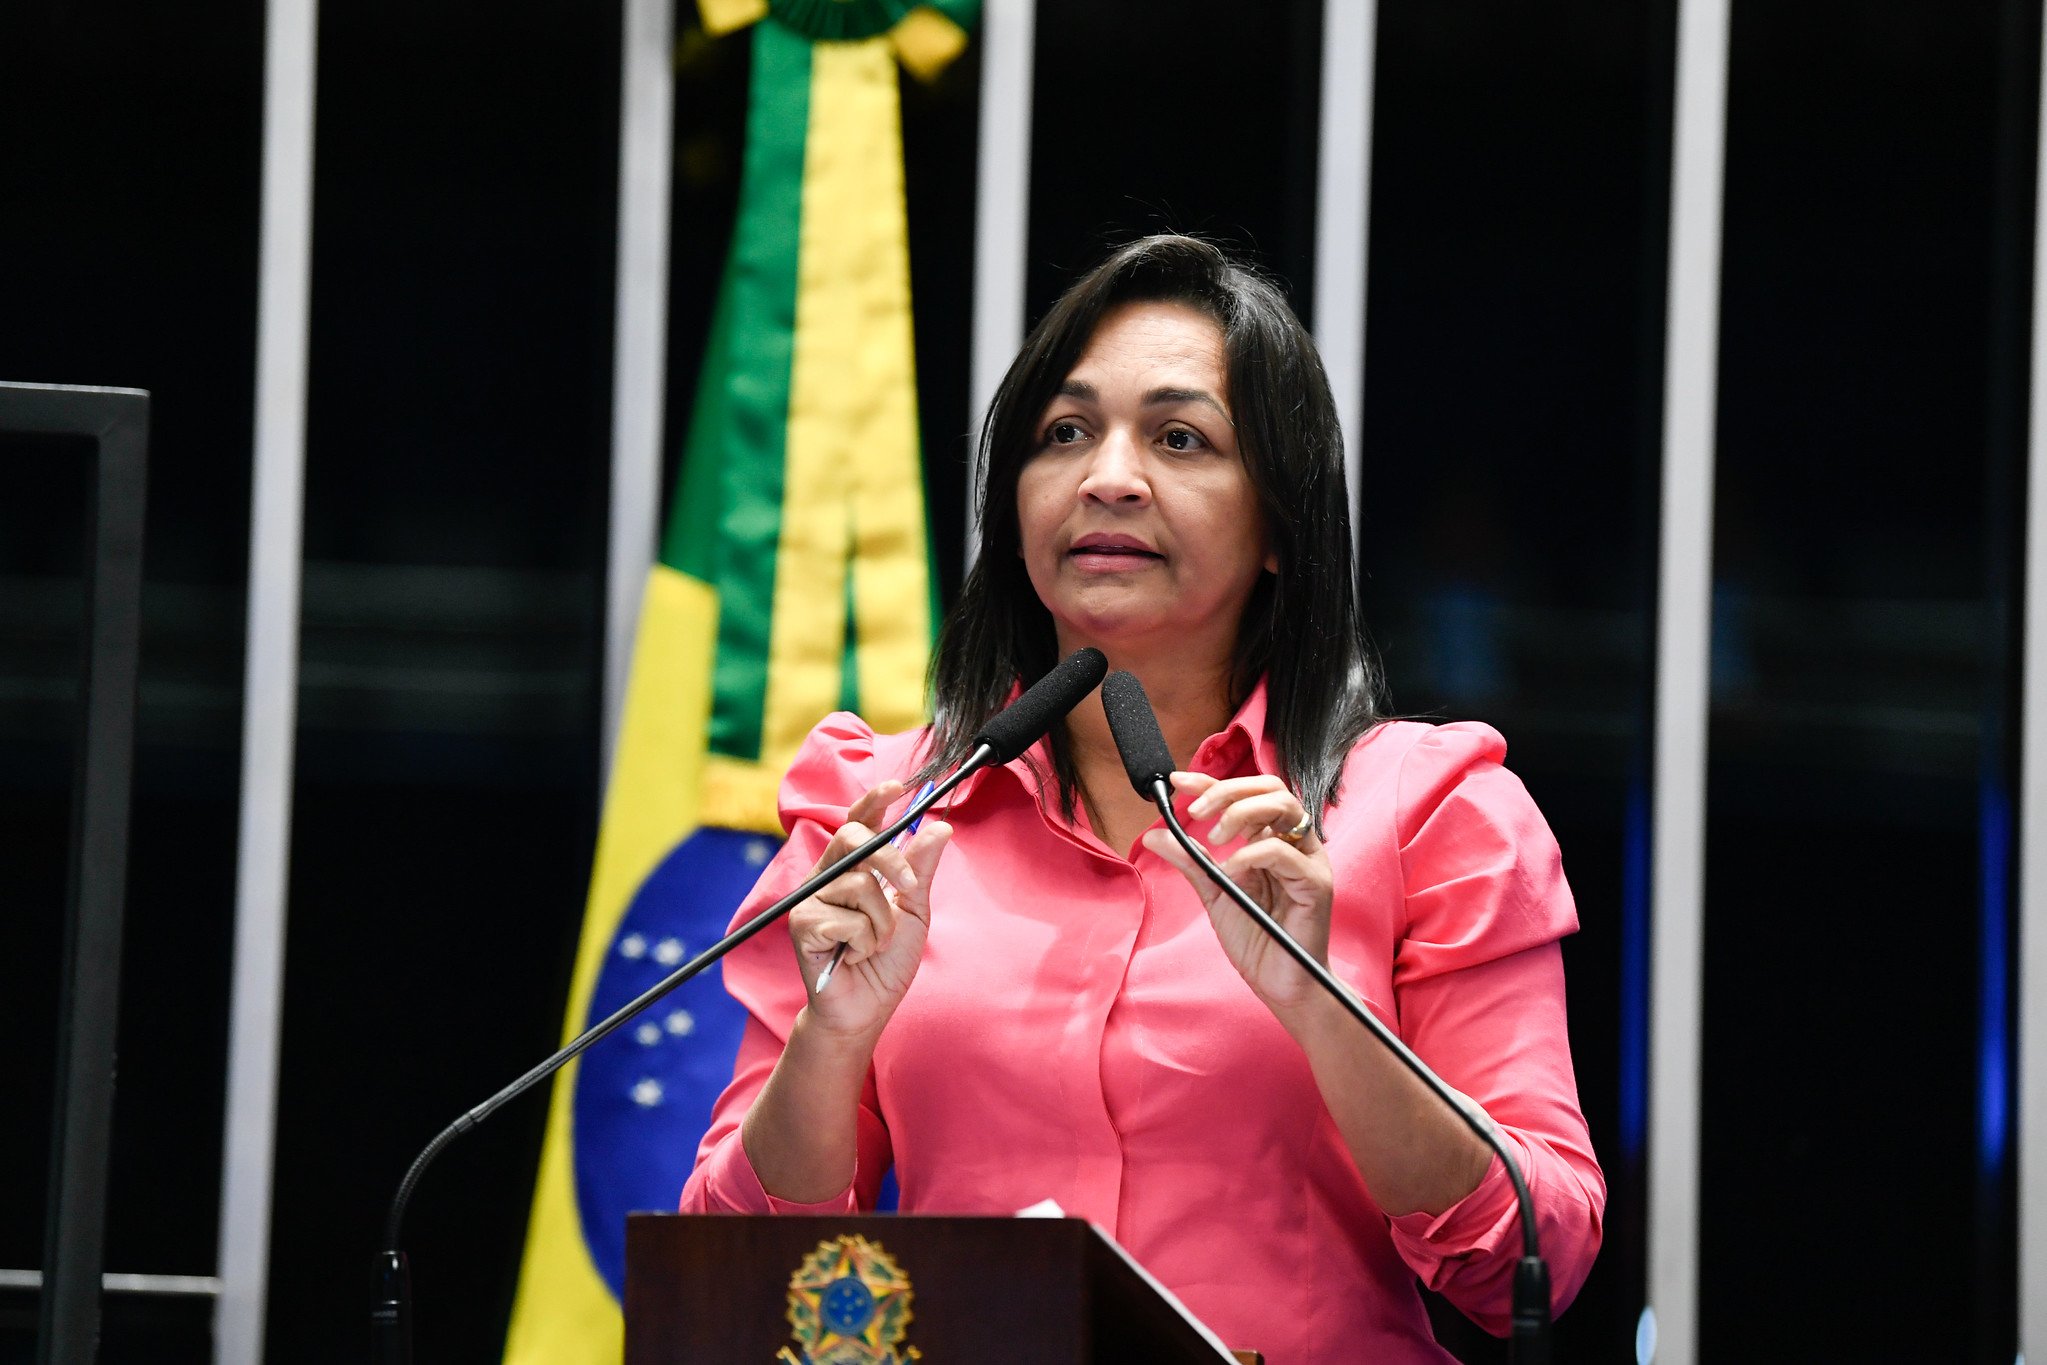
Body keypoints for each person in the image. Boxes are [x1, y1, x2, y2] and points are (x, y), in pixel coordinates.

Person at [679, 234, 1604, 1362]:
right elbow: (734, 1277)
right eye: (1063, 433)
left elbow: (1534, 1261)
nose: (1106, 475)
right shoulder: (882, 816)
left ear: (1278, 527)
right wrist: (831, 1043)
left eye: (1180, 438)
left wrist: (1323, 1005)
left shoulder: (1430, 813)